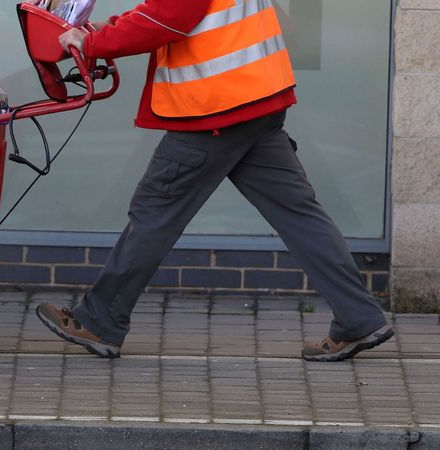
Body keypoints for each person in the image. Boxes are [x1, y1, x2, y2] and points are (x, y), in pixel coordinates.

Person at [32, 0, 394, 362]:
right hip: (257, 95)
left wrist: (93, 43)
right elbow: (164, 9)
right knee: (299, 214)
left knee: (155, 211)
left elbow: (168, 17)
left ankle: (100, 320)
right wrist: (99, 30)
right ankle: (358, 316)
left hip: (215, 107)